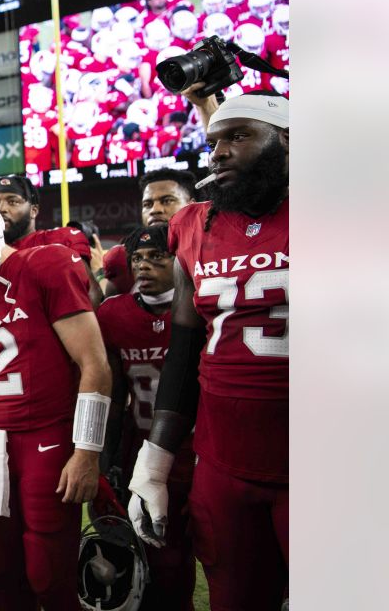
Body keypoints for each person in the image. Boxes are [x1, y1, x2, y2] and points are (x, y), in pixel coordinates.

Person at [127, 92, 289, 609]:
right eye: (214, 140)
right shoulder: (195, 226)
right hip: (221, 460)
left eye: (239, 137)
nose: (218, 152)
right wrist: (153, 464)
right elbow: (184, 348)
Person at [0, 185, 111, 611]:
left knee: (49, 572)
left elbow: (95, 365)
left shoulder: (46, 263)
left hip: (46, 439)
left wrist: (86, 452)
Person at [96, 226, 196, 610]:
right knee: (158, 556)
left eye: (157, 257)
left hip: (198, 448)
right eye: (138, 258)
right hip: (142, 450)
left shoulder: (199, 306)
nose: (145, 265)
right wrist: (107, 458)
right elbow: (114, 392)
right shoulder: (113, 313)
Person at [0, 175, 100, 305]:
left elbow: (91, 294)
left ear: (33, 210)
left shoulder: (59, 239)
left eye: (12, 202)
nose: (0, 209)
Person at [100, 170, 198, 297]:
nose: (155, 210)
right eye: (147, 204)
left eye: (167, 201)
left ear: (192, 205)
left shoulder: (213, 251)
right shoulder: (122, 258)